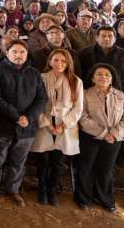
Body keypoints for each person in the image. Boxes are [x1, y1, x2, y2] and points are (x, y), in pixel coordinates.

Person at [0, 39, 47, 208]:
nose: (18, 56)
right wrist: (16, 116)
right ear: (7, 53)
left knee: (19, 161)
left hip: (27, 127)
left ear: (27, 54)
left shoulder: (34, 73)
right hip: (2, 125)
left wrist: (29, 117)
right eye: (15, 52)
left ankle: (13, 189)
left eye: (22, 52)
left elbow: (42, 99)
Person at [30, 49, 84, 206]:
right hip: (44, 122)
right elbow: (35, 103)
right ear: (50, 61)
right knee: (43, 159)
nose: (59, 63)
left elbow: (78, 108)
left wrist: (63, 125)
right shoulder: (42, 78)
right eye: (56, 60)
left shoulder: (76, 81)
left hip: (65, 126)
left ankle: (52, 189)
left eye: (63, 61)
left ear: (68, 63)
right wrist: (48, 125)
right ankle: (42, 187)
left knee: (57, 161)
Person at [75, 63, 124, 213]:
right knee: (86, 168)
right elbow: (83, 117)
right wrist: (104, 134)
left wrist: (114, 134)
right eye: (99, 74)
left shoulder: (121, 95)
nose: (103, 77)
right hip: (90, 137)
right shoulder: (85, 93)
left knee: (106, 170)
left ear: (112, 79)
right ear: (93, 78)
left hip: (114, 139)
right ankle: (83, 199)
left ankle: (105, 199)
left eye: (107, 75)